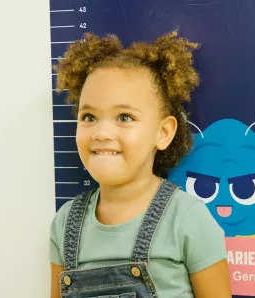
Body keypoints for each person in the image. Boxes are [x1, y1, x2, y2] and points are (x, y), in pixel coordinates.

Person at [49, 30, 231, 298]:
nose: (101, 133)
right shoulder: (65, 223)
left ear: (163, 132)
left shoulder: (187, 219)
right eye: (89, 117)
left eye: (124, 117)